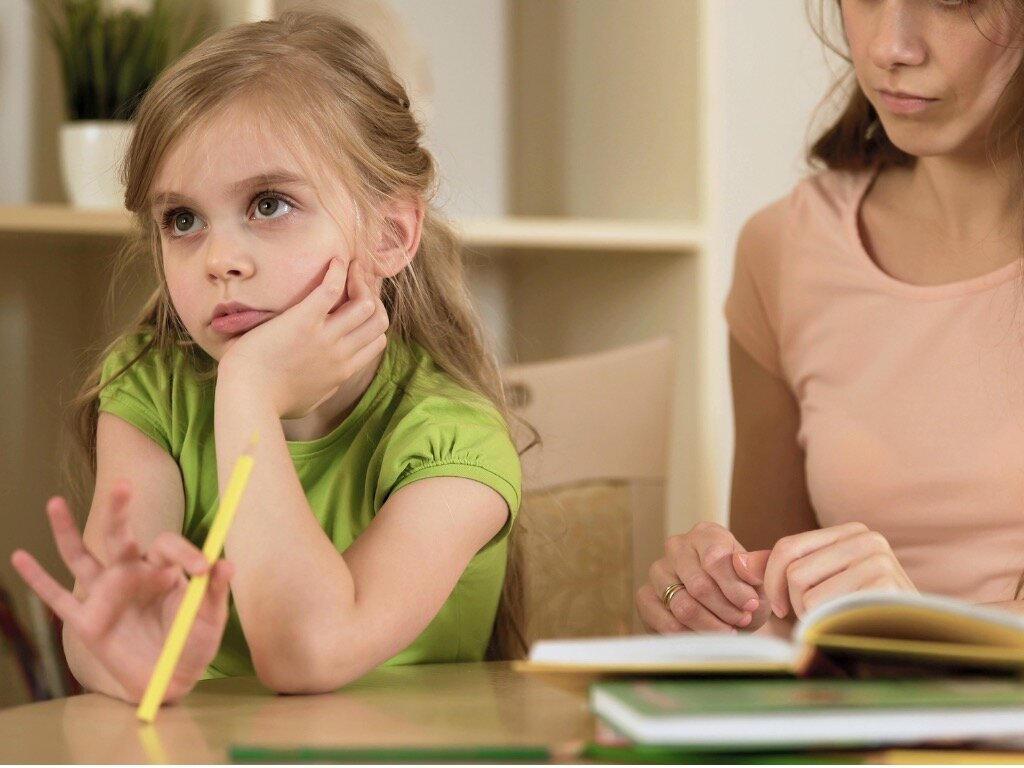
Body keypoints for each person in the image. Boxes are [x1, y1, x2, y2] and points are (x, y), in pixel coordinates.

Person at [9, 11, 521, 703]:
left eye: (270, 203)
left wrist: (247, 389)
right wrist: (117, 654)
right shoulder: (151, 389)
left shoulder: (455, 437)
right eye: (182, 220)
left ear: (391, 236)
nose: (219, 260)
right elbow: (113, 635)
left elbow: (306, 653)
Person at [638, 0, 1024, 635]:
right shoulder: (786, 249)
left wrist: (917, 630)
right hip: (855, 731)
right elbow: (776, 620)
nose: (890, 48)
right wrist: (704, 603)